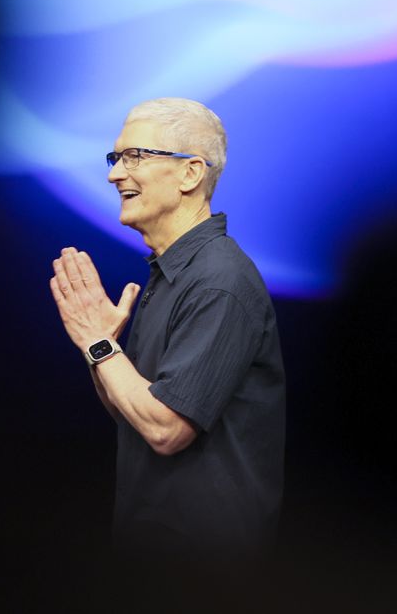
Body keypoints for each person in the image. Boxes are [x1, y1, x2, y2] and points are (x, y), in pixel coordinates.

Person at [48, 97, 286, 558]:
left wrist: (99, 344)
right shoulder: (172, 274)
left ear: (191, 173)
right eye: (115, 158)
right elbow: (133, 413)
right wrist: (103, 348)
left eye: (135, 156)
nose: (116, 174)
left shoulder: (220, 282)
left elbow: (166, 429)